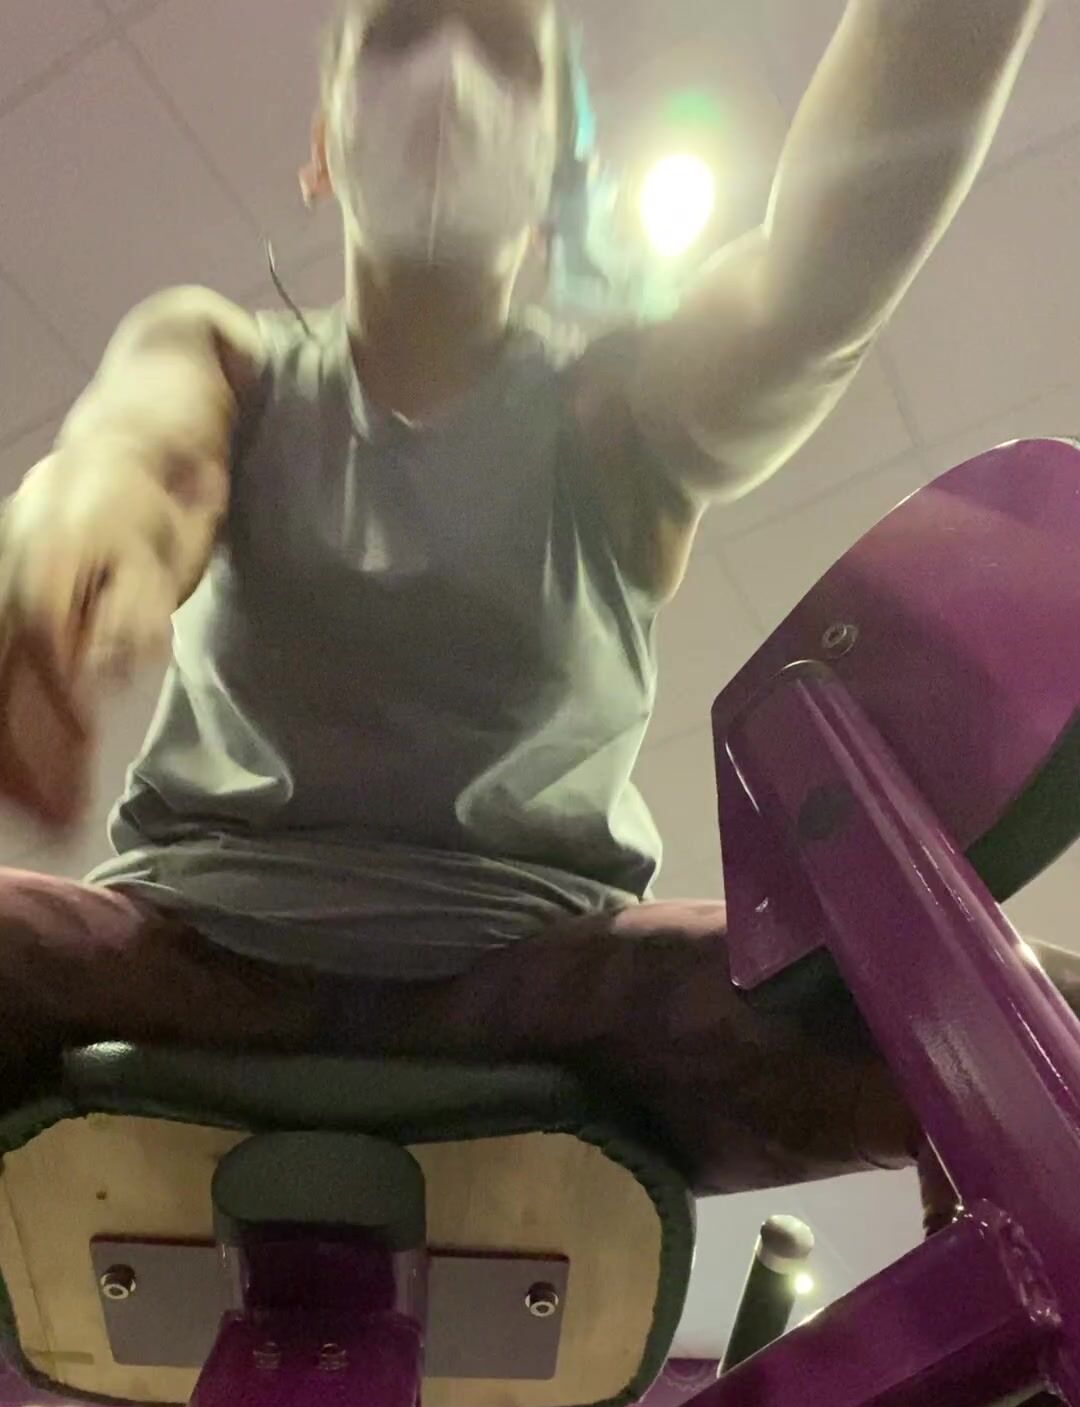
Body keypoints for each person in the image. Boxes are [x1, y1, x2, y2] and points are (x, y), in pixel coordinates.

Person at [0, 0, 1070, 1211]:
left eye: (504, 53)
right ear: (323, 145)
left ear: (562, 160)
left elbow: (815, 286)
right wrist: (62, 550)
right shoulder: (225, 360)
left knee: (1015, 1012)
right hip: (190, 952)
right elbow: (134, 460)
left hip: (537, 979)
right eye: (400, 35)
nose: (450, 77)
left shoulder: (616, 413)